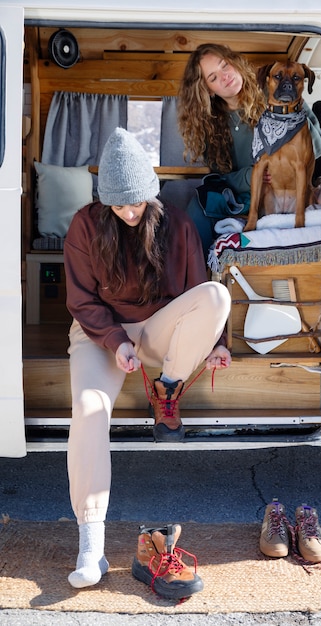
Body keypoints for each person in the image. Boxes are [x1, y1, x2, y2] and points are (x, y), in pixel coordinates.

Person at [63, 127, 232, 591]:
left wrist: (218, 344)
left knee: (217, 296)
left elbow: (199, 291)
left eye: (136, 201)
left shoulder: (176, 224)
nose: (129, 211)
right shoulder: (84, 225)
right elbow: (81, 300)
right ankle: (91, 545)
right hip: (100, 334)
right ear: (105, 202)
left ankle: (169, 387)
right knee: (89, 410)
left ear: (150, 193)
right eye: (119, 204)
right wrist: (116, 341)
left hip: (156, 332)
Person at [177, 43, 321, 259]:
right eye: (214, 77)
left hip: (289, 185)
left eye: (225, 66)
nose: (225, 76)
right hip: (244, 194)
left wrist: (295, 110)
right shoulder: (211, 124)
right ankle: (199, 280)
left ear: (235, 63)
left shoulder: (274, 91)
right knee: (197, 207)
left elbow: (319, 149)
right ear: (209, 90)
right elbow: (222, 175)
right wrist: (250, 176)